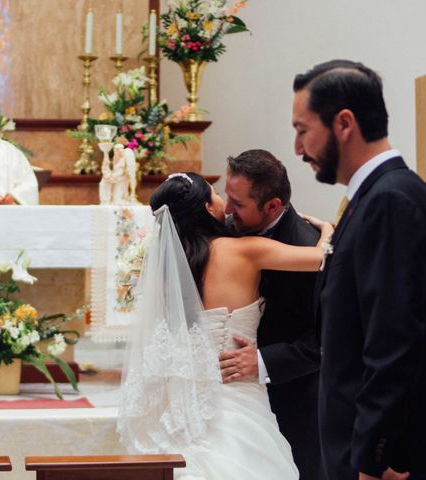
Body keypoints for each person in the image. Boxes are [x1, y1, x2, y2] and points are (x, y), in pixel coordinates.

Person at [117, 172, 334, 480]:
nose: (225, 204)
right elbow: (321, 258)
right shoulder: (244, 250)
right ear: (207, 208)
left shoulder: (167, 268)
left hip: (185, 395)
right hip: (238, 389)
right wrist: (326, 228)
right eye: (216, 194)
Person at [292, 60, 426, 480]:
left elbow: (394, 343)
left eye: (302, 129)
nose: (298, 148)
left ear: (344, 123)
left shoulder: (391, 200)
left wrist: (375, 458)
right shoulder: (372, 197)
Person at [221, 149, 321, 480]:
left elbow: (324, 341)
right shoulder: (230, 229)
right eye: (226, 195)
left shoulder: (307, 248)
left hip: (294, 398)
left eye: (237, 203)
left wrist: (263, 361)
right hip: (237, 398)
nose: (227, 209)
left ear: (272, 206)